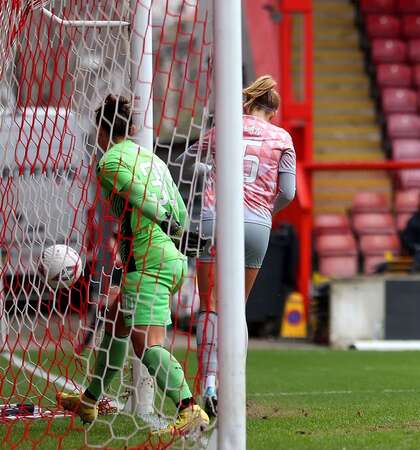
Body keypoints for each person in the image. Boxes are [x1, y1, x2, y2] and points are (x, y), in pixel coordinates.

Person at [59, 95, 209, 435]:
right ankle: (89, 399)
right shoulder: (153, 159)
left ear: (101, 131)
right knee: (115, 323)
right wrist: (176, 227)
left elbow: (137, 194)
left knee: (147, 344)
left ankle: (189, 408)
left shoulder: (110, 162)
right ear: (132, 128)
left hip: (148, 260)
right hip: (168, 258)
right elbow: (181, 210)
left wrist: (163, 220)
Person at [193, 74, 296, 417]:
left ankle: (208, 382)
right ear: (274, 112)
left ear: (248, 103)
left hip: (215, 217)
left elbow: (192, 156)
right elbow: (288, 193)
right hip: (255, 225)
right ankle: (233, 389)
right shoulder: (283, 137)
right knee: (236, 308)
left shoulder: (224, 126)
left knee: (210, 305)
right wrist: (265, 211)